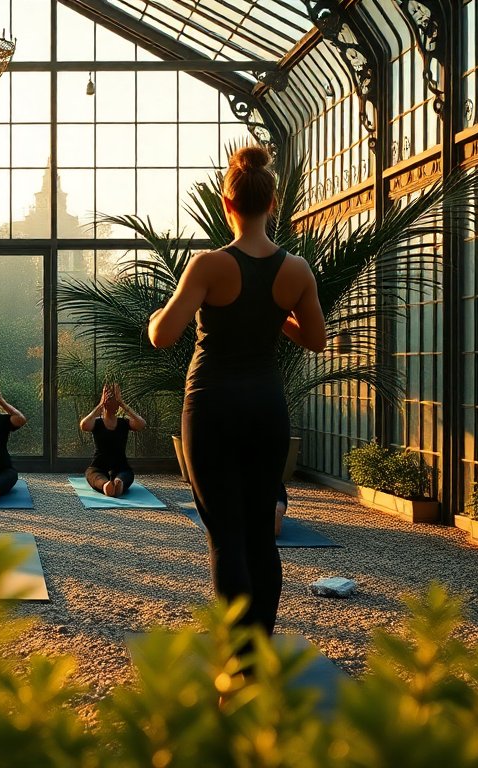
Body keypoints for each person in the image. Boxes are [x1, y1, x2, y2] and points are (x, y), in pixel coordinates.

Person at [147, 144, 326, 636]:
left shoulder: (208, 266)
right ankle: (257, 661)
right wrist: (277, 316)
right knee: (259, 540)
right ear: (273, 203)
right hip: (265, 410)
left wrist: (156, 315)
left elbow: (163, 336)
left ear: (227, 204)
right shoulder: (296, 271)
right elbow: (315, 338)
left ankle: (237, 670)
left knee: (226, 537)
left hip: (211, 409)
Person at [80, 382, 147, 497]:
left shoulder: (124, 422)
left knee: (126, 474)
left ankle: (118, 483)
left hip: (121, 467)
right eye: (109, 399)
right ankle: (106, 486)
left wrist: (123, 404)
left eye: (115, 400)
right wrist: (100, 405)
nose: (112, 402)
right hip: (99, 467)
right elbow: (83, 425)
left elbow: (141, 424)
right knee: (92, 474)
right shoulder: (97, 422)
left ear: (118, 406)